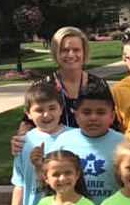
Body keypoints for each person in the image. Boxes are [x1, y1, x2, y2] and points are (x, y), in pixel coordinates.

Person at [10, 27, 109, 156]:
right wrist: (19, 141)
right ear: (56, 52)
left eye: (76, 50)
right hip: (55, 159)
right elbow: (29, 122)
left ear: (84, 52)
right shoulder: (43, 85)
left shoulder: (98, 85)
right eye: (64, 50)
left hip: (93, 155)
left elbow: (111, 120)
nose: (71, 55)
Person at [8, 82, 71, 205]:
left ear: (61, 109)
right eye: (39, 110)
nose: (46, 115)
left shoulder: (75, 138)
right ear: (28, 113)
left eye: (52, 108)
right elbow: (20, 183)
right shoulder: (22, 143)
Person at [51, 80, 126, 205]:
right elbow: (49, 175)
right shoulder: (64, 141)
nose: (93, 118)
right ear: (76, 116)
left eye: (101, 112)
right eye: (86, 112)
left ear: (112, 116)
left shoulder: (124, 144)